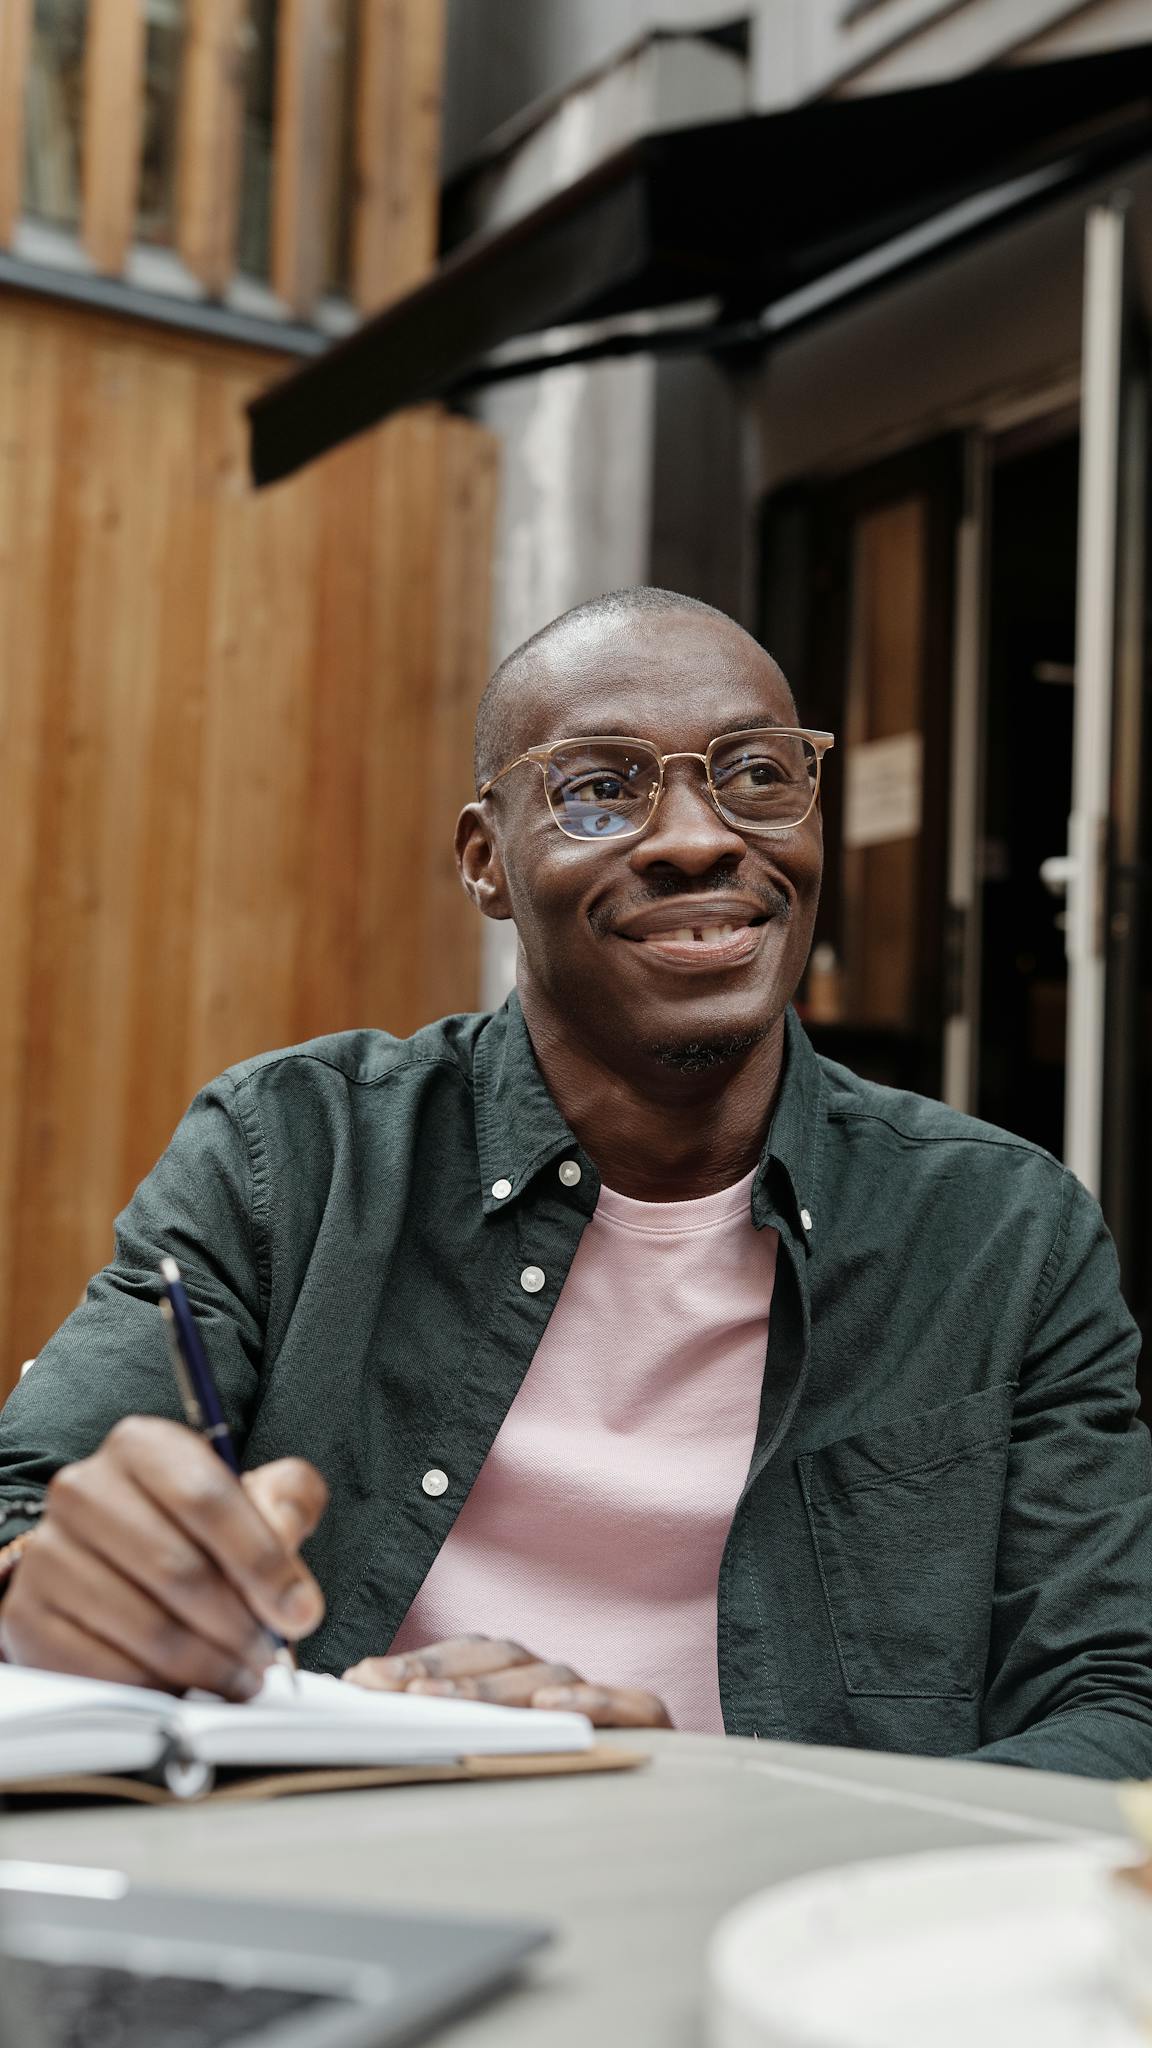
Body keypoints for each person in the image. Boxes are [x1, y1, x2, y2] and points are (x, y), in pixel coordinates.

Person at [1, 587, 1150, 1777]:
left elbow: (1116, 1697)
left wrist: (767, 1835)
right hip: (337, 1840)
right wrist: (65, 1585)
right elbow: (26, 1510)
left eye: (757, 773)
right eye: (600, 787)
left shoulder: (1004, 1235)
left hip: (807, 1885)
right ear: (486, 861)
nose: (698, 838)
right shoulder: (289, 1154)